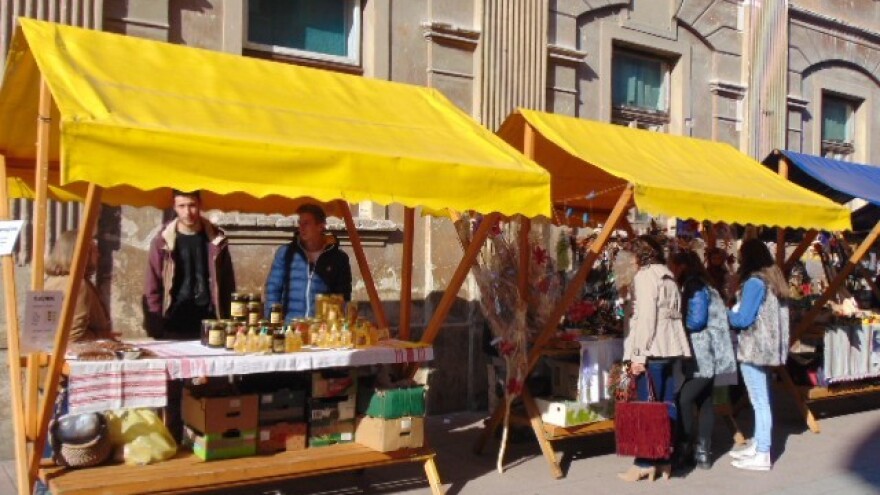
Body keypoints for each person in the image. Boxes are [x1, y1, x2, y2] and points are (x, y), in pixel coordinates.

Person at [619, 236, 692, 482]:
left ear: (639, 255)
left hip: (652, 350)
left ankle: (644, 461)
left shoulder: (645, 276)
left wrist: (638, 356)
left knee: (647, 406)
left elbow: (647, 318)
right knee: (666, 404)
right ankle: (664, 459)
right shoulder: (668, 274)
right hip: (671, 347)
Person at [669, 251, 736, 470]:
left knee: (685, 399)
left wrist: (676, 324)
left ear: (682, 267)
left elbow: (697, 320)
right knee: (705, 401)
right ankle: (704, 453)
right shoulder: (706, 284)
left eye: (674, 266)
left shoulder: (694, 285)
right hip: (713, 351)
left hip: (703, 352)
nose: (671, 270)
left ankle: (685, 447)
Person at [727, 238, 790, 471]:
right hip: (769, 347)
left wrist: (725, 313)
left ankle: (763, 452)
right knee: (762, 399)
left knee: (759, 401)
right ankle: (759, 445)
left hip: (754, 347)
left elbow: (744, 319)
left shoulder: (755, 282)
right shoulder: (775, 280)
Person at [143, 190, 235, 339]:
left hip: (210, 321)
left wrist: (230, 320)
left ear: (200, 205)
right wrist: (155, 325)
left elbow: (227, 284)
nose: (187, 212)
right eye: (182, 206)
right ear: (174, 207)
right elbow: (153, 285)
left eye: (192, 205)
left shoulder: (216, 240)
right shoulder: (162, 242)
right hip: (173, 320)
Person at [264, 203, 352, 323]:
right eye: (300, 223)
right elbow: (273, 289)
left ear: (320, 226)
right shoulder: (286, 253)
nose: (301, 228)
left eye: (306, 223)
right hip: (290, 327)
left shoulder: (338, 258)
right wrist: (272, 321)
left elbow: (343, 297)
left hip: (320, 330)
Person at [43, 230, 112, 342]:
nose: (98, 255)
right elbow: (73, 336)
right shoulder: (77, 286)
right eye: (94, 251)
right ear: (83, 254)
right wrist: (102, 336)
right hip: (72, 354)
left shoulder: (49, 282)